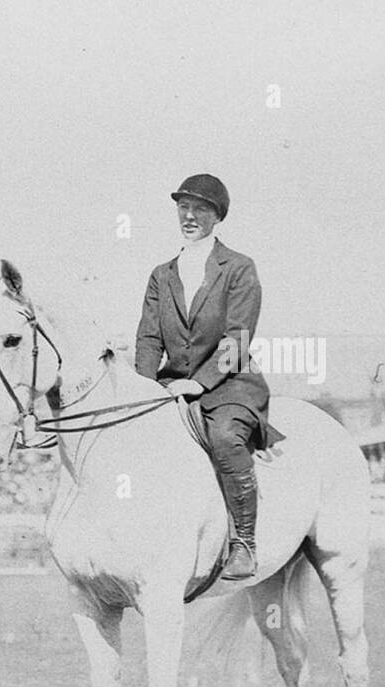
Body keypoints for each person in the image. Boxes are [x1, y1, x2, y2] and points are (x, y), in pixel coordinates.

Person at [134, 174, 270, 580]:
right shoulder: (162, 274)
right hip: (170, 384)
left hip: (230, 385)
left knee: (226, 439)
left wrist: (200, 382)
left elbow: (239, 336)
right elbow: (148, 337)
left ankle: (243, 541)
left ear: (217, 216)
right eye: (183, 208)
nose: (189, 216)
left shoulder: (239, 268)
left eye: (200, 209)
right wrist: (143, 389)